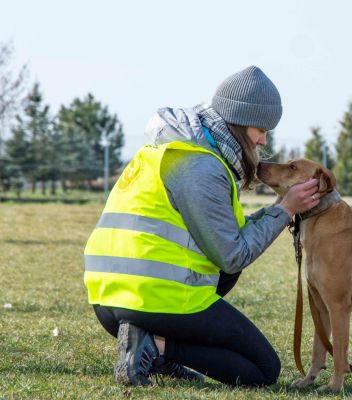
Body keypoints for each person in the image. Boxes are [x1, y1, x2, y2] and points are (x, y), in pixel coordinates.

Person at [84, 66, 320, 387]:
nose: (263, 140)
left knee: (226, 277)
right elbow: (233, 255)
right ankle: (155, 347)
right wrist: (285, 209)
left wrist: (279, 208)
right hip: (151, 297)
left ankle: (151, 343)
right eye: (260, 129)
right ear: (238, 121)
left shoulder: (170, 150)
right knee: (263, 369)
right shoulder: (202, 167)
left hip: (108, 298)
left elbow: (227, 241)